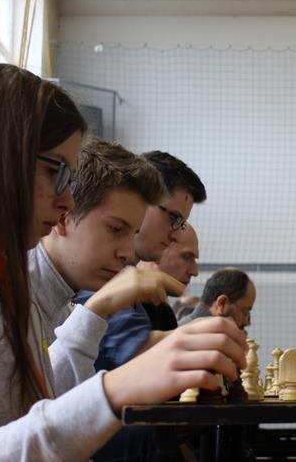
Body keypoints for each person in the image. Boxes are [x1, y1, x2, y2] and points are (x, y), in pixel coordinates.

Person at [0, 64, 246, 460]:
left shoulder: (0, 273)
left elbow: (36, 407)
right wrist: (115, 390)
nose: (66, 200)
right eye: (54, 171)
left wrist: (96, 313)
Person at [31, 136, 182, 393]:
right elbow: (32, 407)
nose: (127, 253)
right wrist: (96, 309)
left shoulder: (63, 306)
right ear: (63, 216)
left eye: (134, 234)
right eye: (115, 229)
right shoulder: (7, 293)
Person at [77, 151, 207, 371]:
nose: (175, 233)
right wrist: (209, 334)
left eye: (181, 224)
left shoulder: (131, 282)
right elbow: (133, 351)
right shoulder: (99, 271)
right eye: (174, 218)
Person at [140, 225, 200, 329]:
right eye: (186, 257)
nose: (195, 272)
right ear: (158, 248)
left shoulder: (165, 315)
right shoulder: (123, 307)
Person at [179, 267, 256, 331]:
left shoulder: (180, 331)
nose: (246, 322)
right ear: (222, 303)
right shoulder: (203, 339)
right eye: (245, 311)